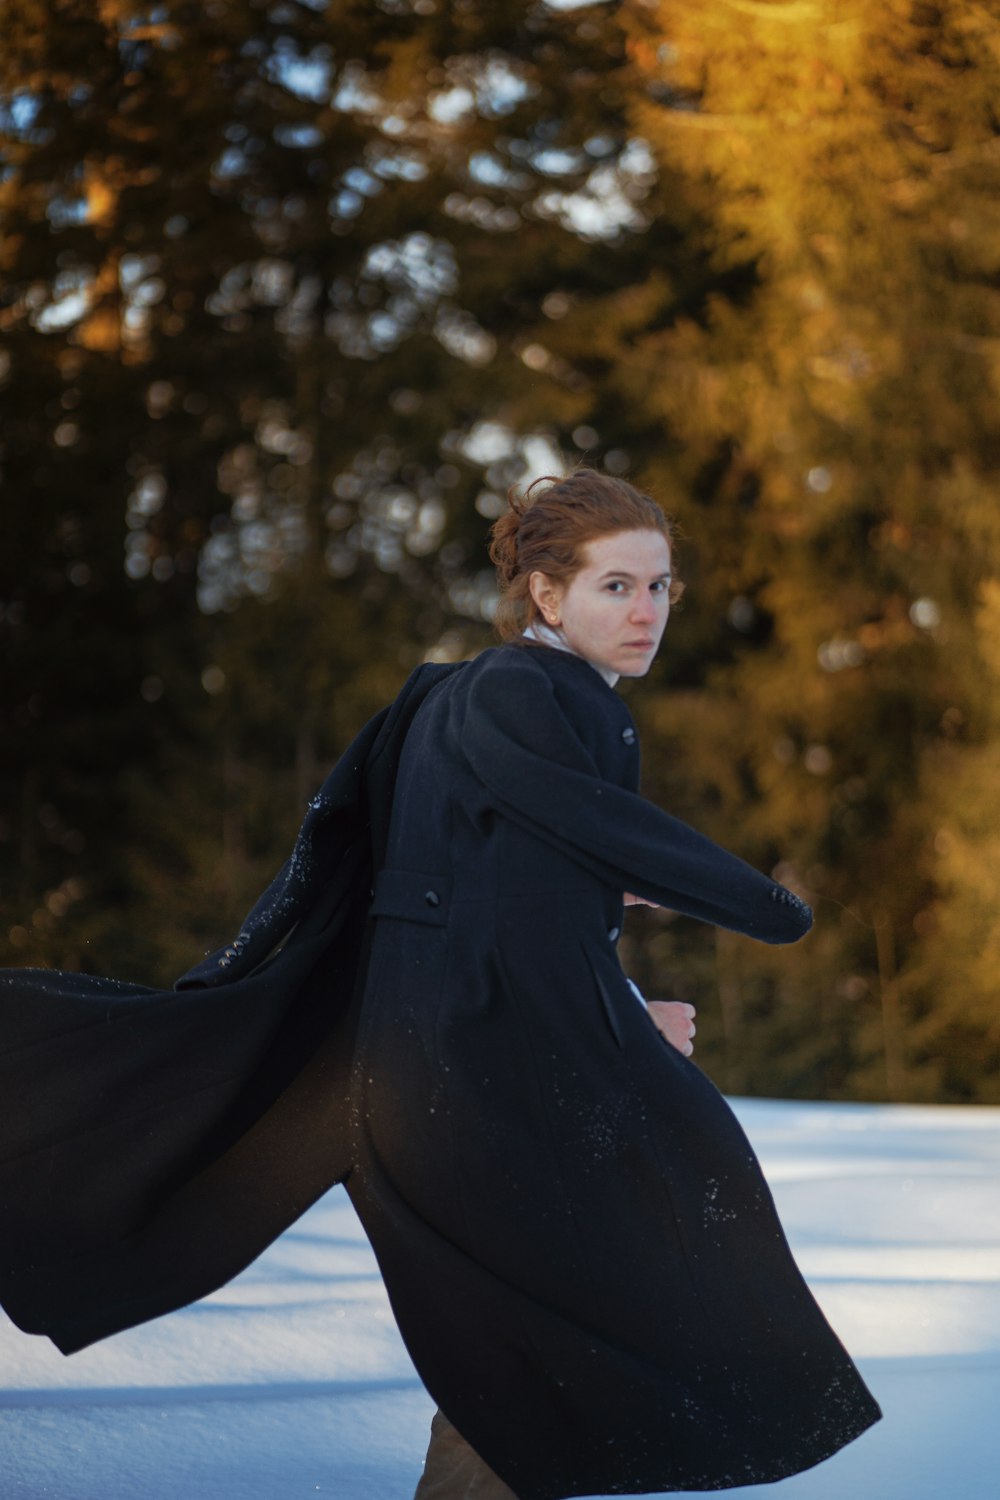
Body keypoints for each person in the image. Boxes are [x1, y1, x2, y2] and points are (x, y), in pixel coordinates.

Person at [0, 469, 880, 1500]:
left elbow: (498, 877)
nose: (647, 612)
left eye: (661, 587)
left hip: (448, 1075)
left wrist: (614, 921)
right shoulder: (524, 693)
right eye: (616, 587)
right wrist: (663, 989)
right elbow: (513, 910)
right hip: (462, 1085)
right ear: (548, 597)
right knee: (568, 1310)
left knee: (519, 1338)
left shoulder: (492, 697)